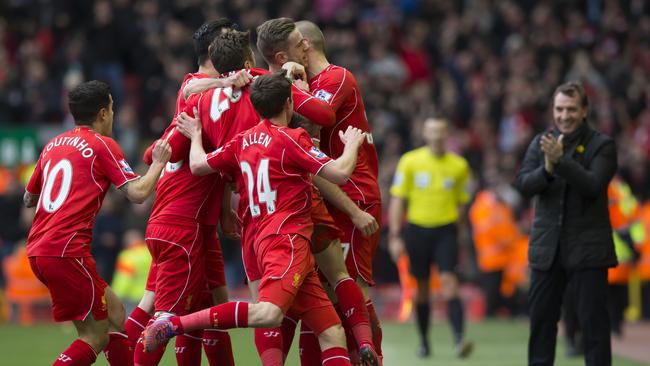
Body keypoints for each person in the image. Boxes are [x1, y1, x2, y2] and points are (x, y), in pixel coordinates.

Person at [145, 71, 370, 366]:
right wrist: (352, 143)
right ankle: (175, 325)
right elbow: (339, 173)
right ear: (289, 104)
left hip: (260, 236)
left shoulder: (242, 141)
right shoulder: (293, 139)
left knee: (332, 332)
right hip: (287, 237)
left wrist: (197, 136)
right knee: (269, 313)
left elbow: (198, 165)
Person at [23, 80, 171, 366]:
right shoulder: (102, 144)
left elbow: (30, 197)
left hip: (40, 249)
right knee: (94, 336)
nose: (114, 115)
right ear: (103, 113)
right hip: (66, 251)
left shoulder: (53, 144)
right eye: (113, 109)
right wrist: (159, 163)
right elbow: (138, 194)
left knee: (116, 316)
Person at [127, 19, 248, 366]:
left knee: (205, 309)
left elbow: (161, 151)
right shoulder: (198, 90)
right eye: (228, 42)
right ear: (214, 52)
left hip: (194, 222)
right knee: (167, 317)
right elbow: (191, 100)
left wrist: (225, 209)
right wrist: (230, 80)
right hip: (182, 223)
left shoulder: (204, 95)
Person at [296, 20, 384, 362]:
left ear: (304, 45)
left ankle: (371, 354)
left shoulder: (336, 78)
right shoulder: (309, 82)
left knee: (353, 291)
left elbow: (317, 117)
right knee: (322, 295)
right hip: (330, 192)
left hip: (356, 193)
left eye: (291, 48)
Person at [514, 81, 617, 366]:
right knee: (541, 325)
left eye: (571, 109)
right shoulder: (540, 142)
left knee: (594, 327)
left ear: (584, 111)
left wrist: (560, 163)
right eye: (559, 109)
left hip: (589, 250)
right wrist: (547, 168)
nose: (564, 115)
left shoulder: (602, 145)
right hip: (547, 250)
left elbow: (594, 186)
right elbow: (523, 185)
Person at [387, 117, 474, 358]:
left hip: (446, 231)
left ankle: (459, 340)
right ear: (425, 134)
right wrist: (395, 235)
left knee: (449, 283)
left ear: (447, 135)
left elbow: (461, 204)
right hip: (417, 230)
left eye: (440, 131)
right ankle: (424, 342)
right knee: (422, 289)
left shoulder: (459, 166)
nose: (436, 136)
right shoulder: (410, 161)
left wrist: (462, 234)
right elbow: (398, 200)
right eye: (432, 131)